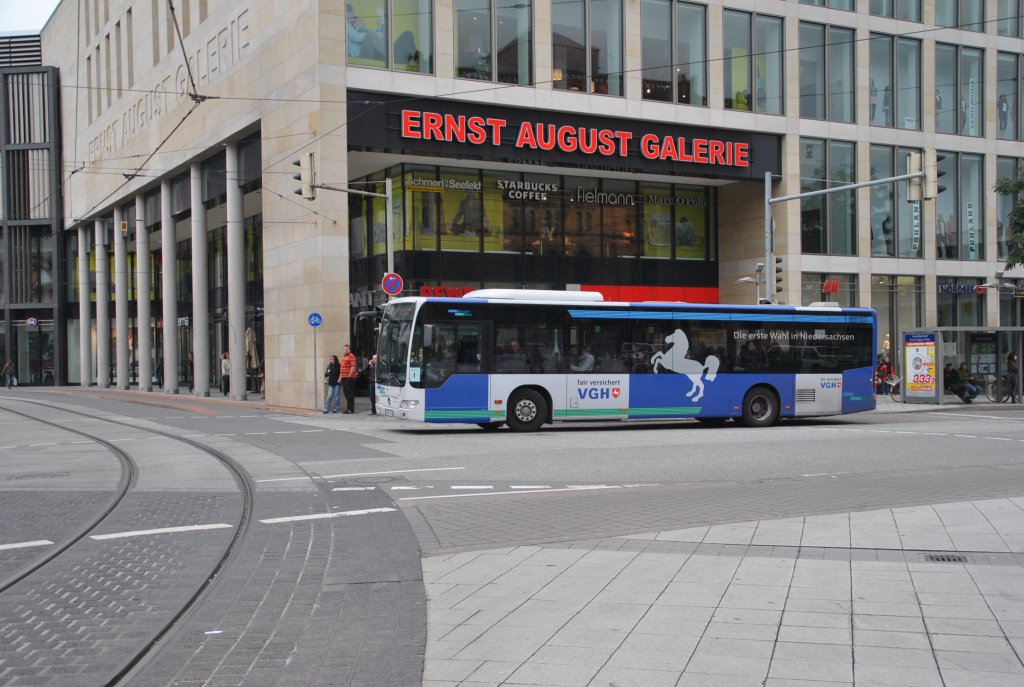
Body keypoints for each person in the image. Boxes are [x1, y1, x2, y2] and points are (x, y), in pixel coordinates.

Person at [340, 344, 359, 413]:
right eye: (345, 349)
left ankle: (350, 409)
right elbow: (342, 368)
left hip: (349, 378)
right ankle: (349, 408)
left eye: (347, 349)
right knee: (346, 393)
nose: (346, 350)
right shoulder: (344, 356)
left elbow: (353, 366)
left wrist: (349, 376)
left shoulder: (351, 356)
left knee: (350, 393)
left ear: (349, 349)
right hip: (344, 377)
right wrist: (340, 377)